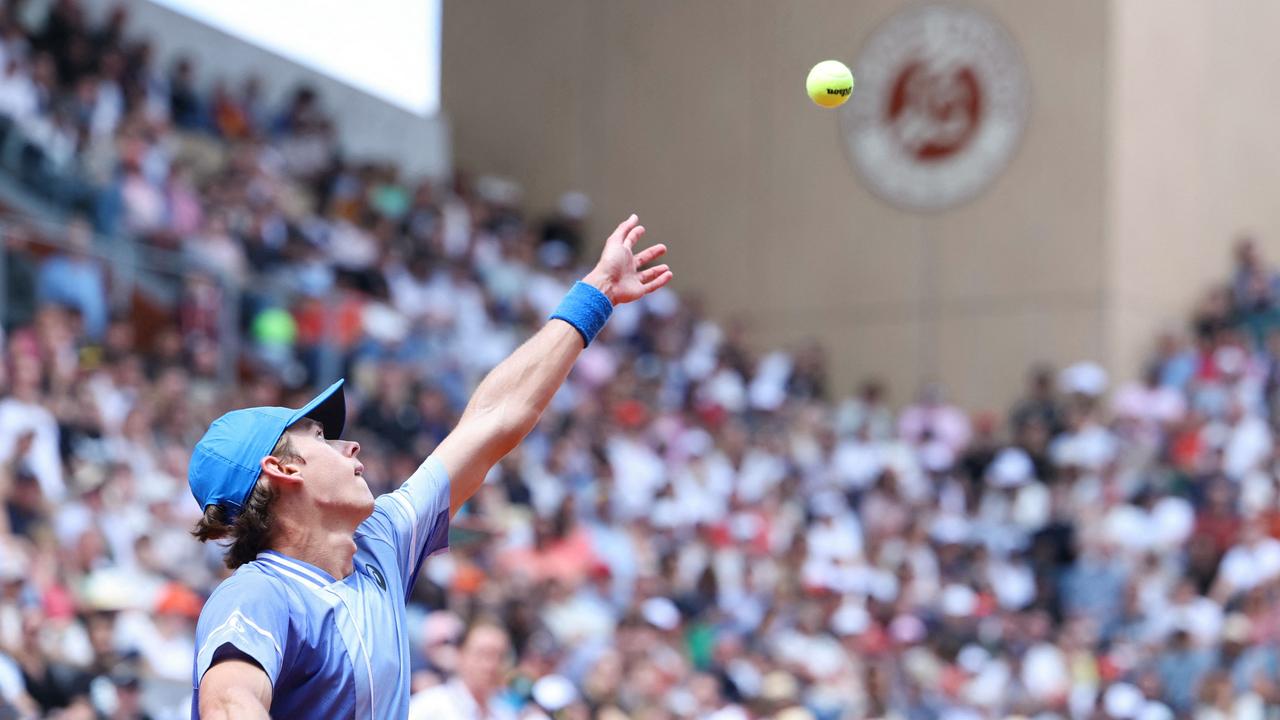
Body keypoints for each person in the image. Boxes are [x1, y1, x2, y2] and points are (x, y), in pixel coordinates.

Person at [188, 215, 672, 719]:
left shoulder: (379, 544)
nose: (350, 446)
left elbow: (492, 421)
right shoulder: (258, 591)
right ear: (282, 470)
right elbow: (229, 706)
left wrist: (595, 297)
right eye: (320, 437)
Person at [406, 619, 515, 720]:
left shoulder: (505, 714)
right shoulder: (429, 706)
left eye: (500, 656)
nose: (490, 665)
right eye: (482, 654)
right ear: (460, 654)